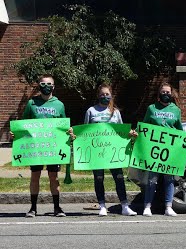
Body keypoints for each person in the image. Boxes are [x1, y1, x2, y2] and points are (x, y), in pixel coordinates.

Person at [10, 74, 68, 218]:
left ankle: (57, 208)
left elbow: (63, 127)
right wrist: (15, 134)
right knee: (35, 176)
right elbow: (24, 125)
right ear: (38, 85)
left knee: (53, 177)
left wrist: (69, 132)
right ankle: (33, 208)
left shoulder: (59, 104)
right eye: (43, 84)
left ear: (53, 87)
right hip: (35, 148)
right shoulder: (32, 103)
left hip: (52, 148)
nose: (46, 87)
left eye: (49, 84)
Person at [82, 83, 137, 217]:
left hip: (113, 152)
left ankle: (124, 205)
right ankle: (102, 205)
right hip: (97, 151)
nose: (105, 96)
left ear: (111, 96)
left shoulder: (116, 112)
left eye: (107, 94)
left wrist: (130, 133)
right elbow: (84, 132)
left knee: (119, 178)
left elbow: (121, 131)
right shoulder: (91, 111)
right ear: (98, 96)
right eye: (102, 94)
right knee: (99, 178)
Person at [132, 82, 185, 217]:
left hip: (170, 150)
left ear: (171, 94)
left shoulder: (176, 110)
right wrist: (137, 134)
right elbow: (144, 126)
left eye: (168, 92)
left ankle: (168, 206)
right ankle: (147, 206)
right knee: (152, 179)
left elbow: (179, 130)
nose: (166, 94)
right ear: (158, 94)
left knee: (169, 179)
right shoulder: (151, 109)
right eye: (163, 92)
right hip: (154, 150)